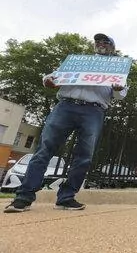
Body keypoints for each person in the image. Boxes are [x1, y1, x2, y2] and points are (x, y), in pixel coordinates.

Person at [4, 33, 128, 213]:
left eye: (105, 42)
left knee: (84, 156)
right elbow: (52, 77)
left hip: (94, 110)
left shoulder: (118, 68)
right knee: (44, 150)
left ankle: (66, 198)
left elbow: (120, 94)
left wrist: (118, 88)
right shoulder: (78, 62)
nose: (100, 44)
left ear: (112, 48)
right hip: (66, 106)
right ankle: (23, 197)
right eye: (98, 41)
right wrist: (48, 80)